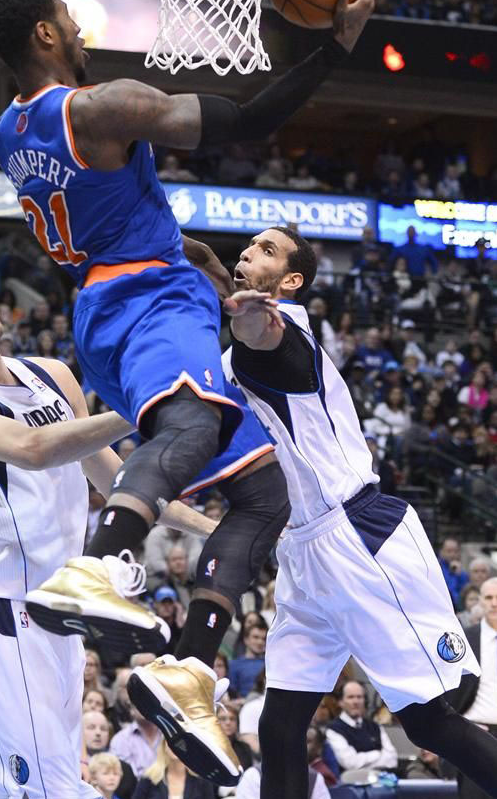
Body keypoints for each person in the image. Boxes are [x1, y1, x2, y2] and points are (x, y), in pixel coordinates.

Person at [0, 0, 373, 783]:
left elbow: (97, 209)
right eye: (69, 18)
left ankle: (188, 666)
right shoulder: (101, 104)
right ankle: (105, 562)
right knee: (195, 422)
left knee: (265, 494)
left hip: (110, 304)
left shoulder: (8, 133)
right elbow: (252, 118)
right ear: (47, 35)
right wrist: (334, 47)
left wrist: (178, 247)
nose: (82, 32)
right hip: (149, 301)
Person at [188, 227, 497, 799]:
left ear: (292, 280)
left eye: (266, 250)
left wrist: (246, 313)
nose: (248, 253)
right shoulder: (233, 351)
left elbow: (258, 326)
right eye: (247, 248)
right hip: (302, 553)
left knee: (430, 721)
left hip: (357, 534)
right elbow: (215, 278)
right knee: (279, 726)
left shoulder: (283, 332)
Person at [0, 262, 214, 799]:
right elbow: (34, 449)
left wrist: (212, 528)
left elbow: (119, 480)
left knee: (46, 785)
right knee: (41, 791)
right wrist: (147, 402)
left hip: (61, 616)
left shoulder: (52, 375)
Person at [447, 577, 497, 799]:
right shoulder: (464, 640)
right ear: (480, 602)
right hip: (475, 734)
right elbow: (448, 689)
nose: (495, 603)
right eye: (489, 597)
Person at [325, 681, 397, 773]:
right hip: (350, 784)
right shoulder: (334, 729)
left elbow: (392, 760)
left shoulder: (375, 727)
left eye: (359, 697)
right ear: (340, 702)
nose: (355, 702)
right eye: (350, 697)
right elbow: (350, 763)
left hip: (381, 781)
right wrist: (378, 754)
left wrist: (362, 761)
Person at [132, 742, 217, 799]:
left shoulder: (202, 779)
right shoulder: (149, 778)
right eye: (171, 742)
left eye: (180, 742)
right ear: (164, 746)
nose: (175, 746)